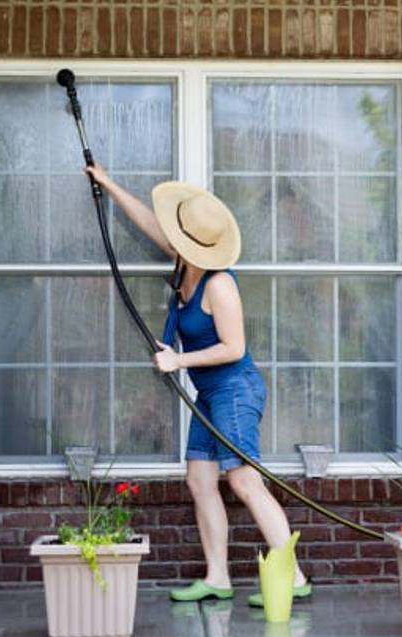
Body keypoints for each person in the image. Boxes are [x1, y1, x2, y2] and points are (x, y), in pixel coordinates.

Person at [85, 163, 311, 606]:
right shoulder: (184, 261)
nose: (168, 234)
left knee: (244, 482)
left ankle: (295, 577)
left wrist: (178, 359)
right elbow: (148, 223)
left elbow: (233, 346)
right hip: (210, 393)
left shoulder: (219, 283)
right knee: (199, 480)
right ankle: (217, 577)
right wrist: (108, 183)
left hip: (235, 389)